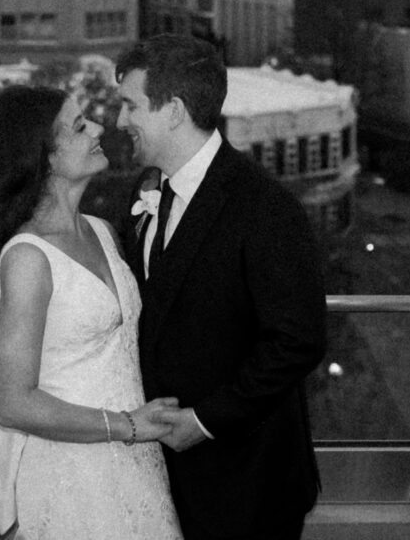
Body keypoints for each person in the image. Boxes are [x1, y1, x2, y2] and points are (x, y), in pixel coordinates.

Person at [115, 34, 327, 540]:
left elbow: (297, 340)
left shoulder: (265, 207)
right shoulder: (144, 194)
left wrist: (206, 420)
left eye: (130, 105)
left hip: (248, 483)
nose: (120, 121)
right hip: (166, 481)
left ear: (173, 110)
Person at [0, 84, 184, 540]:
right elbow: (13, 403)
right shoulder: (28, 258)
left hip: (137, 462)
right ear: (44, 159)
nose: (99, 128)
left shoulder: (102, 231)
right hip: (72, 474)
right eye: (80, 127)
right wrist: (128, 425)